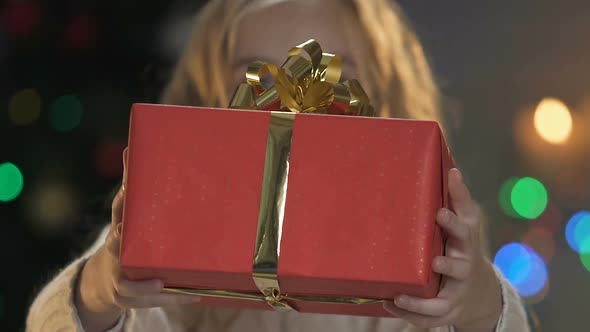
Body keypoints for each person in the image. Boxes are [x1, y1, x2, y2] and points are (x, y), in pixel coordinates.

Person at [26, 0, 530, 331]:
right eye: (259, 78)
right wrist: (100, 288)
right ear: (208, 96)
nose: (291, 108)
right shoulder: (173, 211)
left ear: (386, 101)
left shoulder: (410, 237)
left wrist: (475, 299)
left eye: (326, 77)